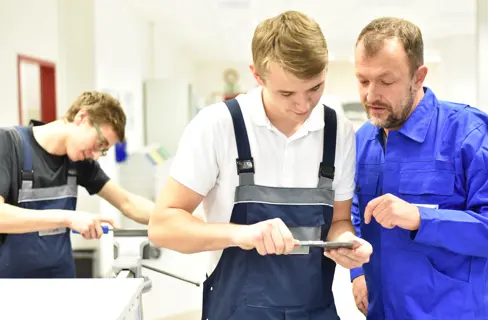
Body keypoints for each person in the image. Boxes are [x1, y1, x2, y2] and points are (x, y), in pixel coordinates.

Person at [148, 10, 372, 320]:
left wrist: (345, 242)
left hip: (314, 311)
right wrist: (240, 234)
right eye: (286, 93)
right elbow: (163, 226)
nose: (303, 106)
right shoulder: (218, 125)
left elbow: (339, 221)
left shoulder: (340, 132)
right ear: (257, 75)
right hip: (235, 311)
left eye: (314, 89)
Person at [350, 17, 488, 320]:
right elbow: (354, 212)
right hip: (381, 312)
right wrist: (357, 272)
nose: (371, 96)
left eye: (386, 82)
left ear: (418, 76)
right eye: (362, 81)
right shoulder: (362, 141)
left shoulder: (469, 133)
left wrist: (420, 218)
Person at [0, 91, 154, 278]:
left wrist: (174, 216)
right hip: (11, 288)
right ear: (82, 117)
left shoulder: (79, 161)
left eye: (103, 151)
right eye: (99, 143)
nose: (96, 155)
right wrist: (68, 218)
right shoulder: (9, 144)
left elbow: (127, 202)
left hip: (62, 282)